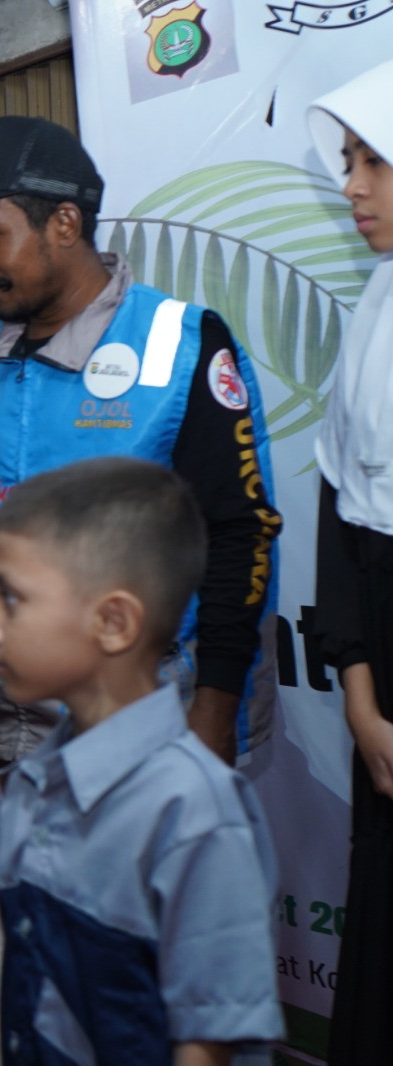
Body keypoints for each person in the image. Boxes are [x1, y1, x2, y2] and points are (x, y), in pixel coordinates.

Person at [0, 115, 282, 766]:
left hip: (151, 725)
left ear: (65, 225)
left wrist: (214, 713)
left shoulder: (180, 347)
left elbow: (240, 537)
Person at [0, 457, 282, 1061]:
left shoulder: (194, 812)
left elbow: (207, 1043)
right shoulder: (37, 780)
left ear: (113, 622)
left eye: (12, 600)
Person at [304, 59, 393, 1064]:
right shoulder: (369, 312)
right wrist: (361, 697)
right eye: (344, 161)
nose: (352, 186)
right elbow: (341, 515)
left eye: (371, 160)